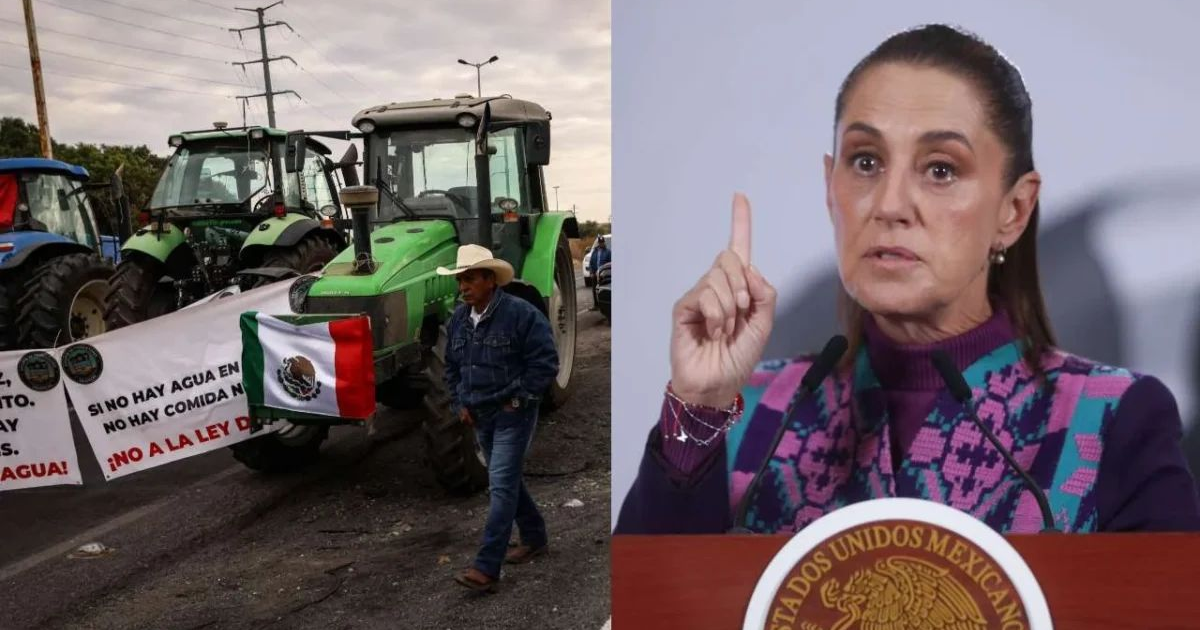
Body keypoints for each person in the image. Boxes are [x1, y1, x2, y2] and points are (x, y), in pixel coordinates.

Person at [615, 24, 1200, 535]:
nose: (889, 204)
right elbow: (658, 604)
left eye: (940, 169)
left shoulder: (1114, 420)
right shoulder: (745, 412)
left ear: (1014, 210)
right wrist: (698, 404)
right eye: (865, 161)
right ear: (830, 186)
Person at [436, 244, 559, 592]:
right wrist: (459, 401)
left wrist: (519, 401)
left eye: (470, 279)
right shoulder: (459, 319)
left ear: (490, 280)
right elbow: (452, 368)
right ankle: (534, 537)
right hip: (479, 414)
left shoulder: (520, 314)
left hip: (511, 415)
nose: (463, 287)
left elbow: (546, 362)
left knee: (500, 485)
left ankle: (487, 567)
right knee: (505, 480)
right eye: (461, 280)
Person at [588, 236, 611, 309]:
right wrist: (591, 272)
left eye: (602, 242)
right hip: (595, 274)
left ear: (604, 242)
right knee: (594, 290)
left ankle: (604, 305)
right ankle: (596, 305)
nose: (601, 244)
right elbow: (591, 262)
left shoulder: (608, 252)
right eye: (600, 242)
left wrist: (605, 273)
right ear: (598, 243)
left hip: (603, 274)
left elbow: (610, 264)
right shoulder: (594, 252)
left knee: (603, 290)